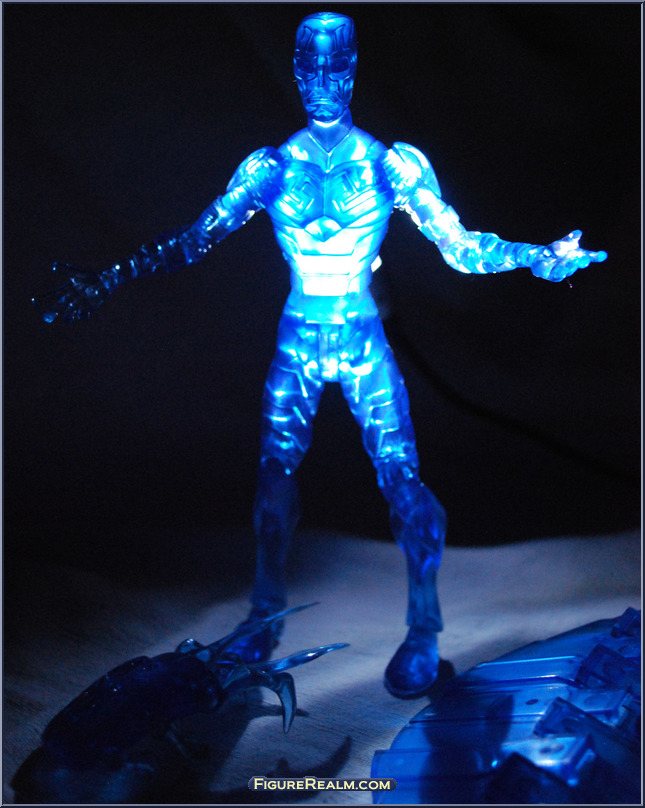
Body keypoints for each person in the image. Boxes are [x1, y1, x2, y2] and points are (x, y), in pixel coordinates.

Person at [36, 11, 606, 698]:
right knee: (274, 476)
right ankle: (263, 614)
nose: (324, 81)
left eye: (337, 67)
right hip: (300, 333)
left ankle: (423, 628)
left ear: (352, 71)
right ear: (299, 72)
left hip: (360, 335)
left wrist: (537, 256)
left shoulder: (389, 165)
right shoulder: (271, 168)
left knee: (401, 479)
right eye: (312, 67)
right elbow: (194, 240)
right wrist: (109, 278)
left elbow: (460, 248)